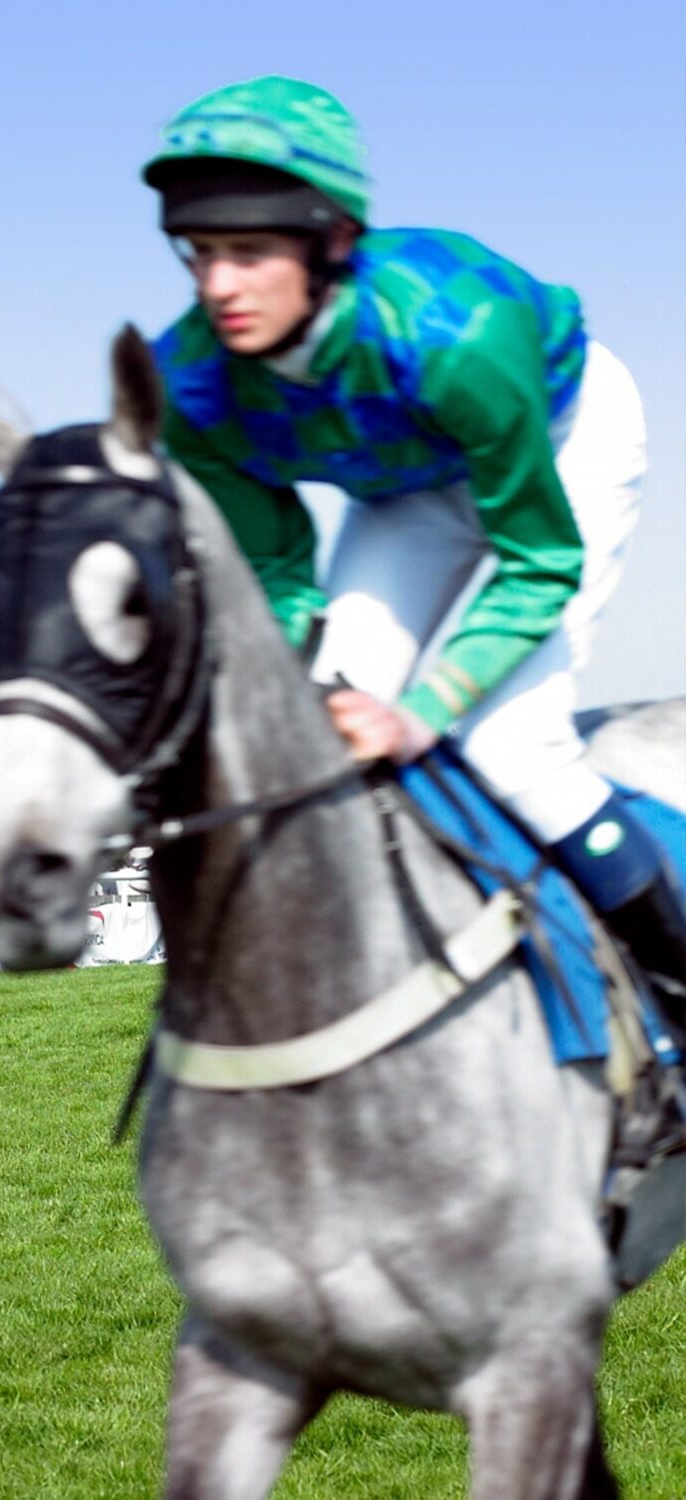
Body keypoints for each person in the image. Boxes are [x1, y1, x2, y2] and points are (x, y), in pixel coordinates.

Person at [141, 75, 684, 1035]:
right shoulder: (190, 384)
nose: (219, 287)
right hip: (408, 491)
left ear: (335, 243)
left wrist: (424, 712)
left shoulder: (458, 332)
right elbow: (274, 567)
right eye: (201, 253)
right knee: (318, 739)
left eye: (252, 252)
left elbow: (536, 557)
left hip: (560, 446)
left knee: (511, 746)